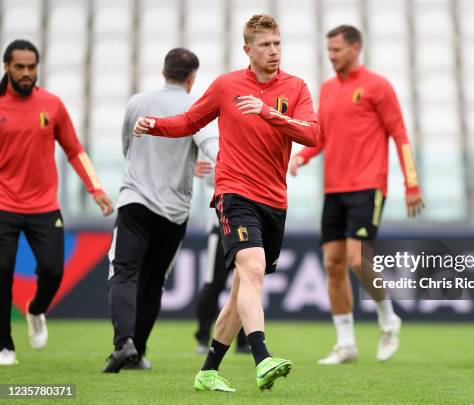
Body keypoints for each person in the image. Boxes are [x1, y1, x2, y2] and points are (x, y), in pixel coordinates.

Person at [133, 14, 319, 392]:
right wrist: (154, 124)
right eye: (265, 45)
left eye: (278, 43)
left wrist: (269, 113)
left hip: (275, 201)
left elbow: (313, 135)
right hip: (234, 193)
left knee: (240, 292)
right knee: (251, 269)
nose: (274, 51)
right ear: (247, 49)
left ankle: (208, 371)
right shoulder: (226, 86)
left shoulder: (296, 88)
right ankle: (263, 358)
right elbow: (188, 122)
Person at [289, 25, 424, 364]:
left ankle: (388, 317)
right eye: (328, 50)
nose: (331, 56)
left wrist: (412, 184)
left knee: (356, 259)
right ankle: (346, 343)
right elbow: (322, 135)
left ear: (355, 48)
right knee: (333, 264)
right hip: (333, 189)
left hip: (368, 187)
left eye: (336, 50)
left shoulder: (378, 86)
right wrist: (301, 156)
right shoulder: (329, 89)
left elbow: (401, 135)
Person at [0, 39, 113, 366]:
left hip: (44, 205)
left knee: (52, 271)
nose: (26, 73)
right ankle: (4, 344)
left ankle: (36, 310)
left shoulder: (52, 105)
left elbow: (75, 150)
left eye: (31, 67)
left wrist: (96, 188)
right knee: (1, 270)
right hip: (4, 205)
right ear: (7, 67)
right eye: (19, 67)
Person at [103, 48, 215, 373]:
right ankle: (137, 353)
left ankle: (123, 343)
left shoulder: (137, 102)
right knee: (152, 283)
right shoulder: (197, 109)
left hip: (136, 201)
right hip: (175, 211)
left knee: (123, 272)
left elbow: (128, 146)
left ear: (164, 70)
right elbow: (211, 149)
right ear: (192, 78)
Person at [193, 133, 249, 355]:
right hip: (221, 223)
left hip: (249, 222)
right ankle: (203, 336)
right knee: (213, 282)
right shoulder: (216, 140)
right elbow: (208, 175)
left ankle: (244, 341)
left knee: (247, 281)